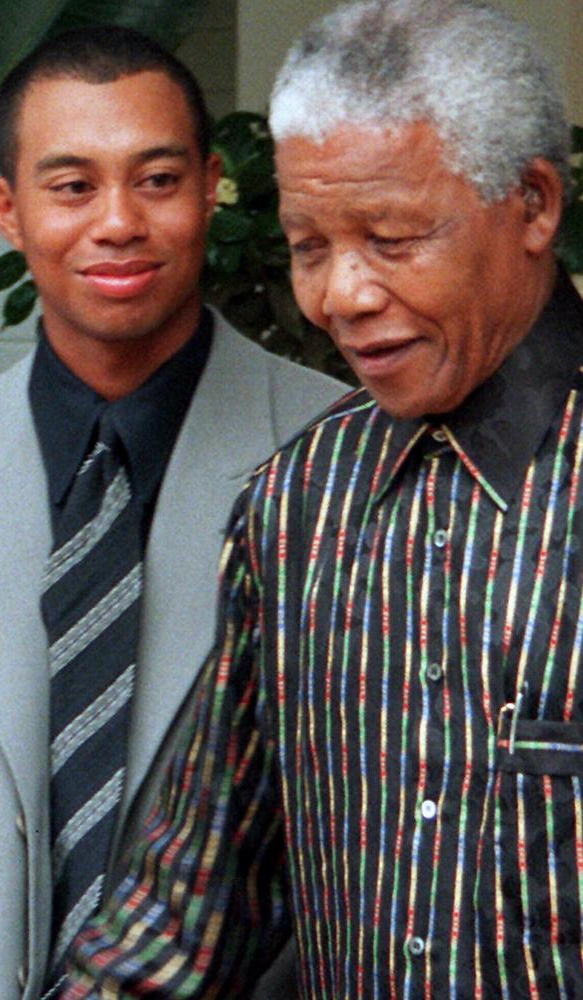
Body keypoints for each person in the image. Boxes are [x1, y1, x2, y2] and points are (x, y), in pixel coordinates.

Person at [61, 1, 583, 998]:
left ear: (531, 204)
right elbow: (187, 912)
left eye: (390, 237)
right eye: (307, 246)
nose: (339, 294)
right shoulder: (296, 505)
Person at [0, 26, 346, 1000]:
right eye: (72, 185)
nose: (117, 222)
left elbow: (354, 836)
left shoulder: (338, 458)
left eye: (155, 180)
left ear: (209, 186)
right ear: (7, 206)